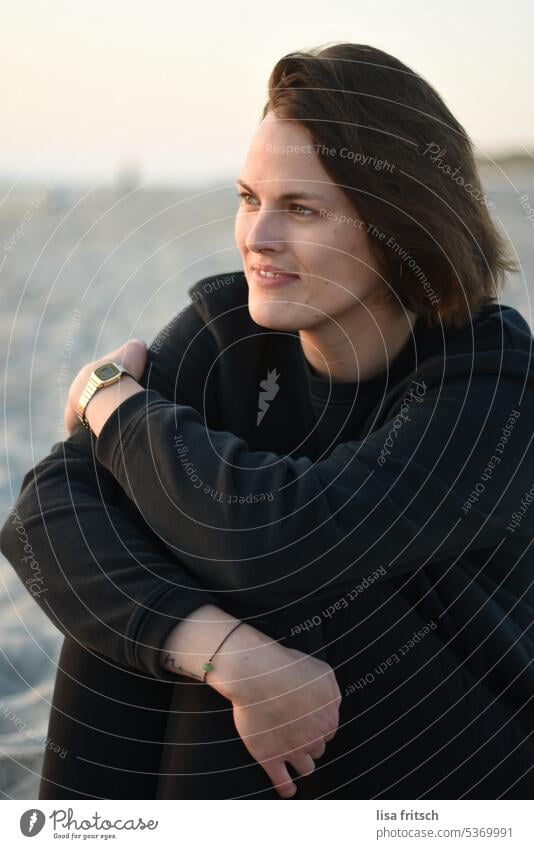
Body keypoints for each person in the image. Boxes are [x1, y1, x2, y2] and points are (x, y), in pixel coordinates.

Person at [1, 42, 533, 800]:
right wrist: (221, 650)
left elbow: (286, 537)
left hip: (464, 756)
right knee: (149, 599)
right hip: (299, 719)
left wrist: (107, 400)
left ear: (398, 228)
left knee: (239, 563)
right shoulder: (228, 329)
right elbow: (43, 515)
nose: (258, 238)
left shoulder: (493, 374)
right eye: (250, 199)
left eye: (301, 208)